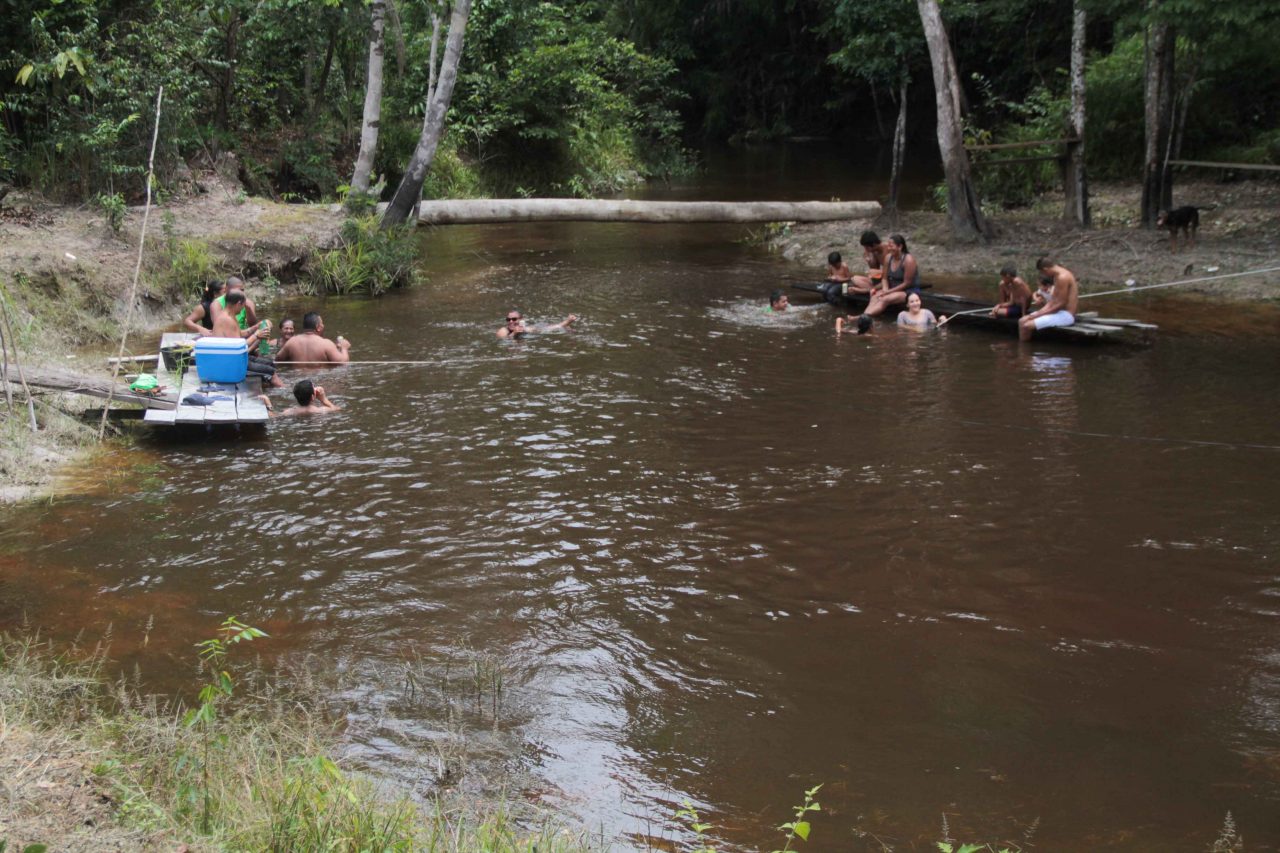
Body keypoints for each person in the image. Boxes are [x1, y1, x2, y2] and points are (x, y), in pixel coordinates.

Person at [212, 290, 282, 386]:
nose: (243, 309)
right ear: (238, 303)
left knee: (270, 363)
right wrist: (257, 335)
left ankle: (268, 386)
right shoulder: (226, 319)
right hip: (230, 364)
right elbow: (237, 346)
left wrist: (256, 327)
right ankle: (284, 391)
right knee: (271, 371)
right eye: (243, 305)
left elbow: (239, 334)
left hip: (235, 359)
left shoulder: (229, 315)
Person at [1019, 257, 1079, 341]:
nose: (1044, 275)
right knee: (1022, 321)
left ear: (1045, 269)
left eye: (1042, 272)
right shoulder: (1057, 276)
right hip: (1057, 312)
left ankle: (1024, 352)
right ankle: (1024, 349)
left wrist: (1037, 315)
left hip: (1066, 315)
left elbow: (1060, 304)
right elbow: (1052, 302)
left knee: (1026, 325)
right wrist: (1035, 314)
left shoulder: (1062, 277)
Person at [861, 234, 919, 318]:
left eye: (891, 246)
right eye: (888, 246)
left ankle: (863, 317)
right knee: (875, 295)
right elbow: (884, 278)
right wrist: (885, 289)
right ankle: (864, 317)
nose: (889, 248)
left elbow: (907, 284)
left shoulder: (908, 260)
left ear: (900, 247)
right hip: (892, 288)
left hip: (908, 291)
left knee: (885, 299)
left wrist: (888, 292)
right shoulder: (888, 258)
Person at [276, 312, 352, 363]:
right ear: (318, 327)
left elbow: (278, 360)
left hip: (299, 382)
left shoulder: (291, 342)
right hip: (319, 383)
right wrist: (344, 348)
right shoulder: (326, 344)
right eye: (322, 323)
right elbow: (343, 363)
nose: (323, 325)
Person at [847, 230, 887, 295]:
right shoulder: (874, 252)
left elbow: (889, 275)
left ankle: (868, 290)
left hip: (889, 280)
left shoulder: (887, 250)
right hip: (880, 280)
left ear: (873, 244)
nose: (865, 250)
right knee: (855, 279)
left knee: (875, 283)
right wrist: (870, 261)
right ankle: (872, 289)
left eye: (866, 247)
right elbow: (875, 272)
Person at [496, 311, 578, 339]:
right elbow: (503, 341)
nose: (510, 321)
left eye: (514, 319)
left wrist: (568, 321)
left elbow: (548, 329)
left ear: (521, 320)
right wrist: (514, 333)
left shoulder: (526, 329)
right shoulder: (503, 330)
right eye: (508, 319)